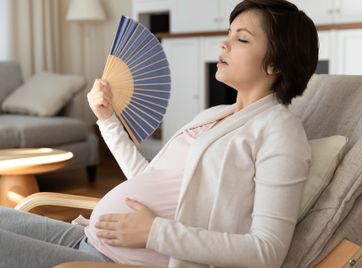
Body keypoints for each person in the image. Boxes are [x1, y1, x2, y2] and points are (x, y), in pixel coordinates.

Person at [0, 0, 319, 267]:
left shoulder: (280, 132)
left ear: (274, 63)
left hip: (111, 262)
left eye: (242, 39)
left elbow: (267, 251)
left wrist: (154, 233)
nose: (224, 43)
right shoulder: (213, 116)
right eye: (228, 33)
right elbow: (149, 178)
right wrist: (108, 120)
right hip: (87, 238)